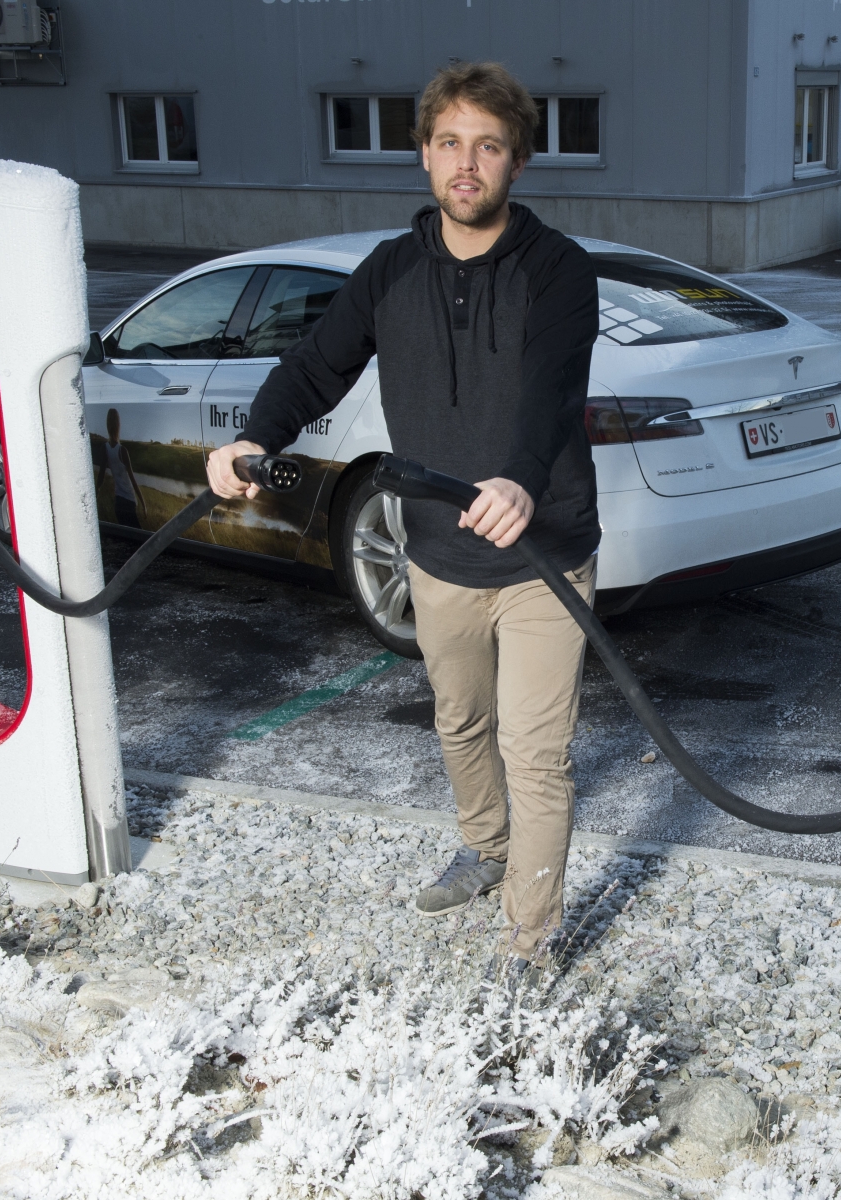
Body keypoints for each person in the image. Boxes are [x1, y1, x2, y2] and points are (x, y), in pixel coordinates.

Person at [205, 62, 600, 971]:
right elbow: (315, 366)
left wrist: (519, 480)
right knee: (460, 722)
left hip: (544, 555)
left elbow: (550, 393)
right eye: (452, 143)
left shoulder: (559, 270)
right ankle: (485, 849)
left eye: (489, 147)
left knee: (536, 753)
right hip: (436, 551)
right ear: (424, 156)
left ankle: (529, 940)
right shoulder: (388, 271)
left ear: (517, 163)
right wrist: (251, 438)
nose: (469, 164)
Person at [98, 408, 143, 528]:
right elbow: (133, 480)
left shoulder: (104, 448)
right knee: (137, 535)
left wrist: (95, 493)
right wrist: (143, 504)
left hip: (118, 501)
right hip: (129, 500)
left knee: (126, 534)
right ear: (118, 425)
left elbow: (101, 477)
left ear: (108, 425)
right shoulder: (123, 450)